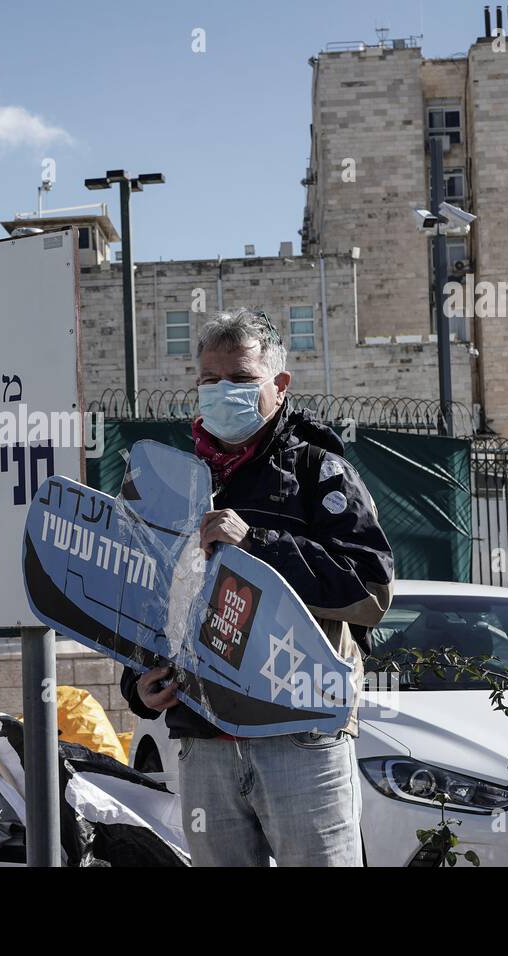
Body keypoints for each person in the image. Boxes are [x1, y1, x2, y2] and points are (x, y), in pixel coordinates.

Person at [120, 307, 395, 867]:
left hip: (300, 734)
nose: (223, 394)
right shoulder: (168, 480)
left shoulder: (319, 471)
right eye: (209, 382)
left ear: (280, 384)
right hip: (202, 735)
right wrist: (135, 683)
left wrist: (258, 546)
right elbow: (141, 595)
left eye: (242, 381)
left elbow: (370, 590)